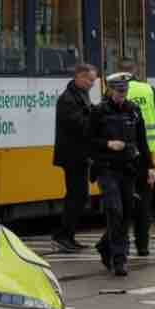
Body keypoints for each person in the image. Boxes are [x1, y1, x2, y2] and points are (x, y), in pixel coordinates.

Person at [89, 72, 155, 276]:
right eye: (118, 92)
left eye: (124, 92)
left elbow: (142, 141)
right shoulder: (99, 111)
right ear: (110, 90)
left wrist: (150, 166)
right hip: (106, 168)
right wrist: (108, 144)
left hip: (128, 169)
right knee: (114, 211)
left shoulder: (133, 111)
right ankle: (120, 259)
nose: (122, 95)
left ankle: (104, 245)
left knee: (127, 213)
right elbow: (87, 141)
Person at [119, 57, 155, 256]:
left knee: (122, 200)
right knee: (144, 200)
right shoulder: (148, 89)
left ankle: (121, 245)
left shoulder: (115, 91)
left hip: (123, 153)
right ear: (136, 70)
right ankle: (143, 246)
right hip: (147, 152)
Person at [52, 62, 97, 252]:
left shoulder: (80, 94)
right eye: (89, 80)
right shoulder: (68, 99)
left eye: (93, 81)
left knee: (78, 195)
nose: (91, 84)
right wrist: (97, 118)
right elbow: (80, 124)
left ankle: (67, 235)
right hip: (73, 155)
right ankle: (63, 235)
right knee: (77, 195)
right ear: (79, 76)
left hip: (80, 155)